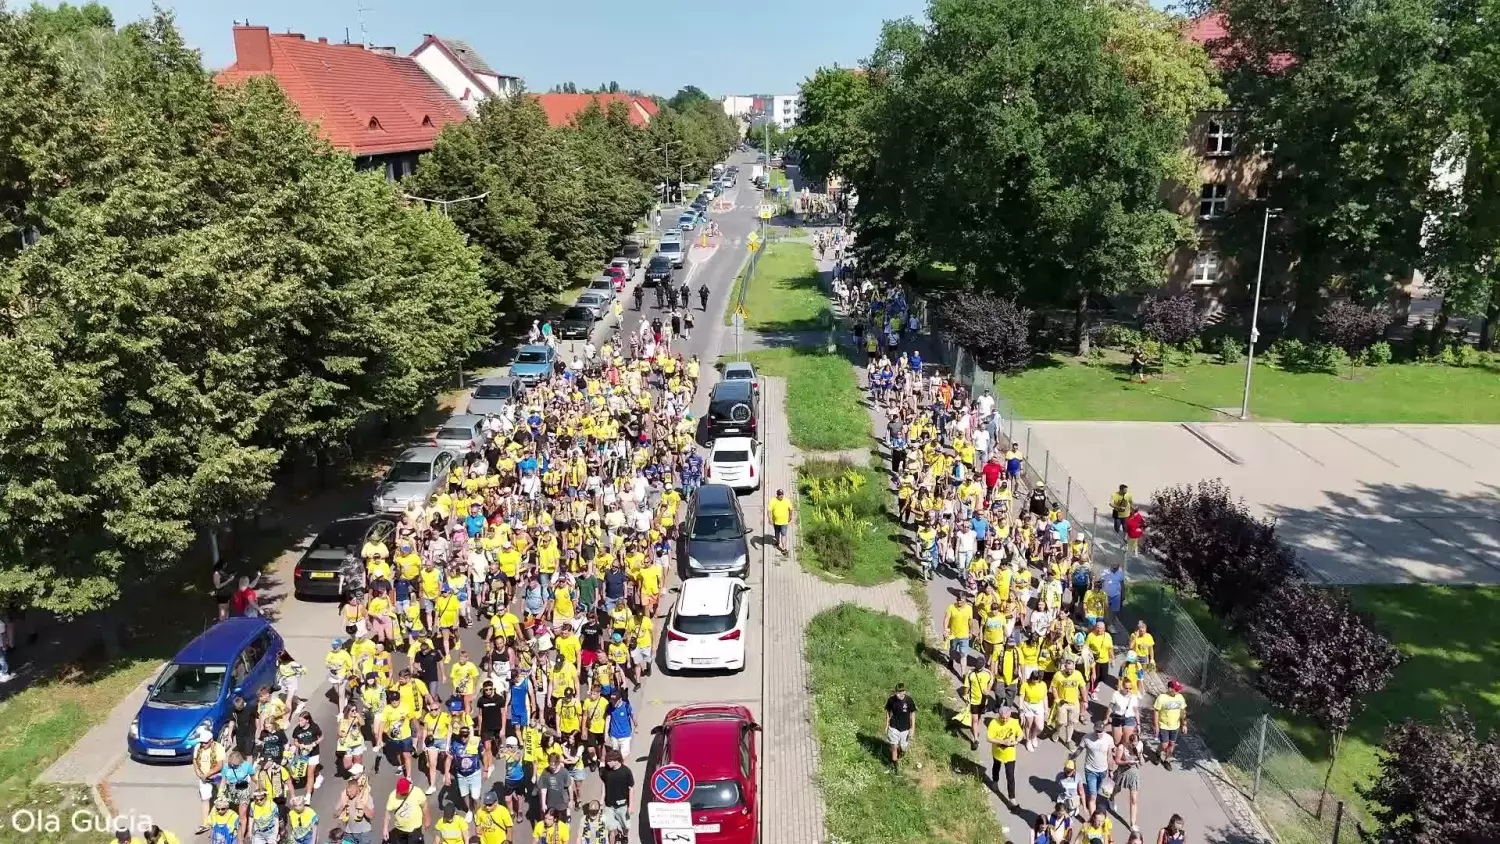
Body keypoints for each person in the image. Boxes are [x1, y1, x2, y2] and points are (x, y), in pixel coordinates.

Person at [986, 704, 1022, 804]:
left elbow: (1020, 734)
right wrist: (1002, 742)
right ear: (999, 715)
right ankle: (995, 781)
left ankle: (1012, 798)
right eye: (1002, 718)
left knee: (1010, 776)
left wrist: (1017, 740)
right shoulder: (994, 723)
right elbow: (989, 738)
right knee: (996, 767)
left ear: (1010, 715)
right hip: (997, 752)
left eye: (1006, 718)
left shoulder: (1014, 722)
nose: (1004, 720)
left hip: (1010, 755)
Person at [1079, 722, 1116, 817]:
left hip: (1103, 771)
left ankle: (1092, 800)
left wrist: (1111, 771)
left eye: (1100, 731)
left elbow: (1110, 756)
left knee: (1098, 790)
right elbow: (1079, 749)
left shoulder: (1109, 739)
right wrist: (1072, 758)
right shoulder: (1087, 737)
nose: (1098, 733)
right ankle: (1093, 818)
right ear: (1094, 729)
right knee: (1093, 796)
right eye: (1097, 731)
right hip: (1090, 770)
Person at [1153, 679, 1188, 770]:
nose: (1178, 691)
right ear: (1169, 689)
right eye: (1176, 689)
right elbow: (1156, 712)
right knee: (1164, 745)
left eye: (1179, 689)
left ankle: (1167, 761)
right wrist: (1156, 725)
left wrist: (1184, 724)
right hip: (1163, 725)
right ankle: (1158, 752)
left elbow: (1183, 711)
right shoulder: (1162, 698)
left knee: (1172, 744)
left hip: (1175, 726)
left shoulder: (1180, 697)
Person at [600, 750, 634, 844]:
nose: (607, 762)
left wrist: (631, 805)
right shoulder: (606, 771)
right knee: (611, 829)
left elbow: (631, 788)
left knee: (625, 826)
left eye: (609, 760)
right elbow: (604, 784)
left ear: (617, 761)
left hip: (622, 806)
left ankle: (625, 836)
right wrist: (601, 800)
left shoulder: (626, 771)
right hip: (609, 806)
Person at [382, 777, 429, 844]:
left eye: (404, 793)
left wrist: (427, 820)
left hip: (415, 829)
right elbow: (387, 814)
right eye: (400, 793)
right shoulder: (393, 796)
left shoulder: (416, 792)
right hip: (400, 829)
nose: (401, 794)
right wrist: (385, 828)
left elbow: (424, 806)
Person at [884, 683, 917, 769]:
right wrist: (887, 724)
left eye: (902, 692)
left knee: (903, 747)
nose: (900, 695)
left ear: (905, 691)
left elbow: (913, 714)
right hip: (893, 726)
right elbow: (887, 711)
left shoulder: (909, 700)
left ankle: (900, 753)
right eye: (898, 692)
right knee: (894, 746)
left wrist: (912, 728)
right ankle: (895, 766)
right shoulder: (891, 700)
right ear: (895, 692)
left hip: (905, 728)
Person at [769, 489, 793, 553]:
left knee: (783, 534)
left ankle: (784, 548)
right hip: (776, 522)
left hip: (784, 522)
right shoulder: (773, 501)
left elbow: (790, 509)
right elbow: (769, 510)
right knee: (777, 533)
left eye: (782, 494)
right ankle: (777, 542)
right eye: (779, 495)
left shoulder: (787, 501)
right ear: (777, 495)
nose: (781, 496)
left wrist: (790, 516)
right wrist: (770, 519)